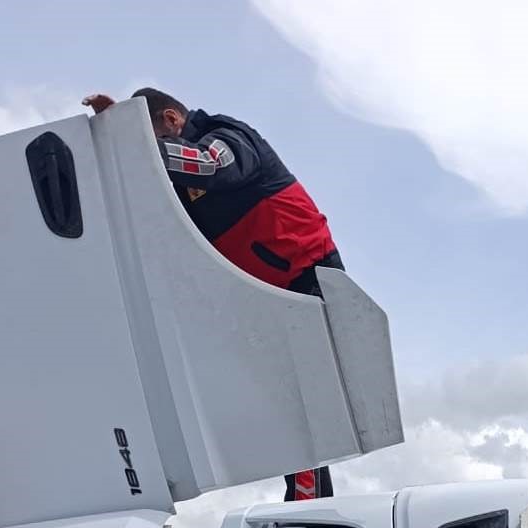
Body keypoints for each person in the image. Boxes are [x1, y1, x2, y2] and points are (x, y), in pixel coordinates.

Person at [83, 88, 339, 501]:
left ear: (172, 120)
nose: (153, 153)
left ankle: (307, 502)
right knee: (274, 402)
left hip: (306, 277)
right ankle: (303, 499)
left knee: (300, 400)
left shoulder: (227, 135)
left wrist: (131, 140)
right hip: (258, 293)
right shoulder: (176, 184)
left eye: (155, 139)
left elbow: (209, 166)